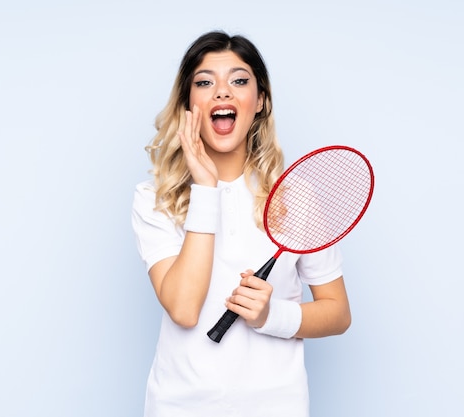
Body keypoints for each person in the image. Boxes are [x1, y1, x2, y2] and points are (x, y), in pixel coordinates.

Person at [132, 30, 351, 417]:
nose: (222, 93)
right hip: (179, 406)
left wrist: (272, 317)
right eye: (204, 82)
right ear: (188, 105)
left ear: (260, 101)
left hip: (276, 407)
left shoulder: (295, 198)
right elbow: (183, 309)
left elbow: (337, 312)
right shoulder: (155, 198)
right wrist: (205, 190)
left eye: (238, 80)